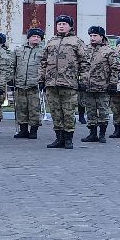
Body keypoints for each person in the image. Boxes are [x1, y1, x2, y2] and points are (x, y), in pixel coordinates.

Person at [40, 14, 89, 150]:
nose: (61, 26)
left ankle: (68, 139)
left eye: (64, 24)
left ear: (70, 26)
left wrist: (83, 80)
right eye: (59, 24)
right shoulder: (51, 41)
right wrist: (41, 79)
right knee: (55, 112)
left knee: (67, 112)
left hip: (69, 83)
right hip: (51, 83)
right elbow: (43, 61)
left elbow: (84, 62)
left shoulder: (77, 41)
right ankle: (59, 138)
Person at [9, 27, 46, 139]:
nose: (36, 39)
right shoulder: (19, 50)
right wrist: (11, 79)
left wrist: (43, 80)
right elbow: (12, 65)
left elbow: (46, 67)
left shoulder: (44, 51)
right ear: (28, 38)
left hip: (34, 84)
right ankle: (23, 130)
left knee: (34, 108)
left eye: (38, 37)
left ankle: (33, 131)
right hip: (20, 84)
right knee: (21, 108)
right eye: (33, 36)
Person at [81, 26, 114, 143]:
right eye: (90, 36)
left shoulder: (109, 51)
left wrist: (112, 84)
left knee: (103, 111)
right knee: (90, 111)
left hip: (103, 86)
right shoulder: (86, 50)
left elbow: (115, 68)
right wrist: (82, 81)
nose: (92, 38)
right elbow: (82, 67)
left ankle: (102, 134)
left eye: (95, 36)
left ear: (101, 37)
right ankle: (92, 133)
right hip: (88, 87)